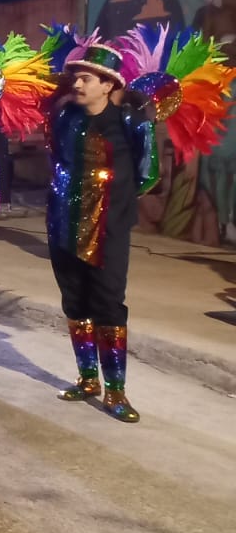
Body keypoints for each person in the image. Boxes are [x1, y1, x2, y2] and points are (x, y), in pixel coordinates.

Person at [47, 43, 157, 422]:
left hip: (109, 229)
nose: (77, 85)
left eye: (86, 79)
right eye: (76, 78)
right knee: (74, 302)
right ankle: (88, 379)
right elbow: (57, 159)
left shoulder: (131, 121)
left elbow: (148, 173)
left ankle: (116, 391)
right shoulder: (65, 117)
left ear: (108, 85)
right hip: (63, 225)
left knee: (109, 304)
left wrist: (113, 199)